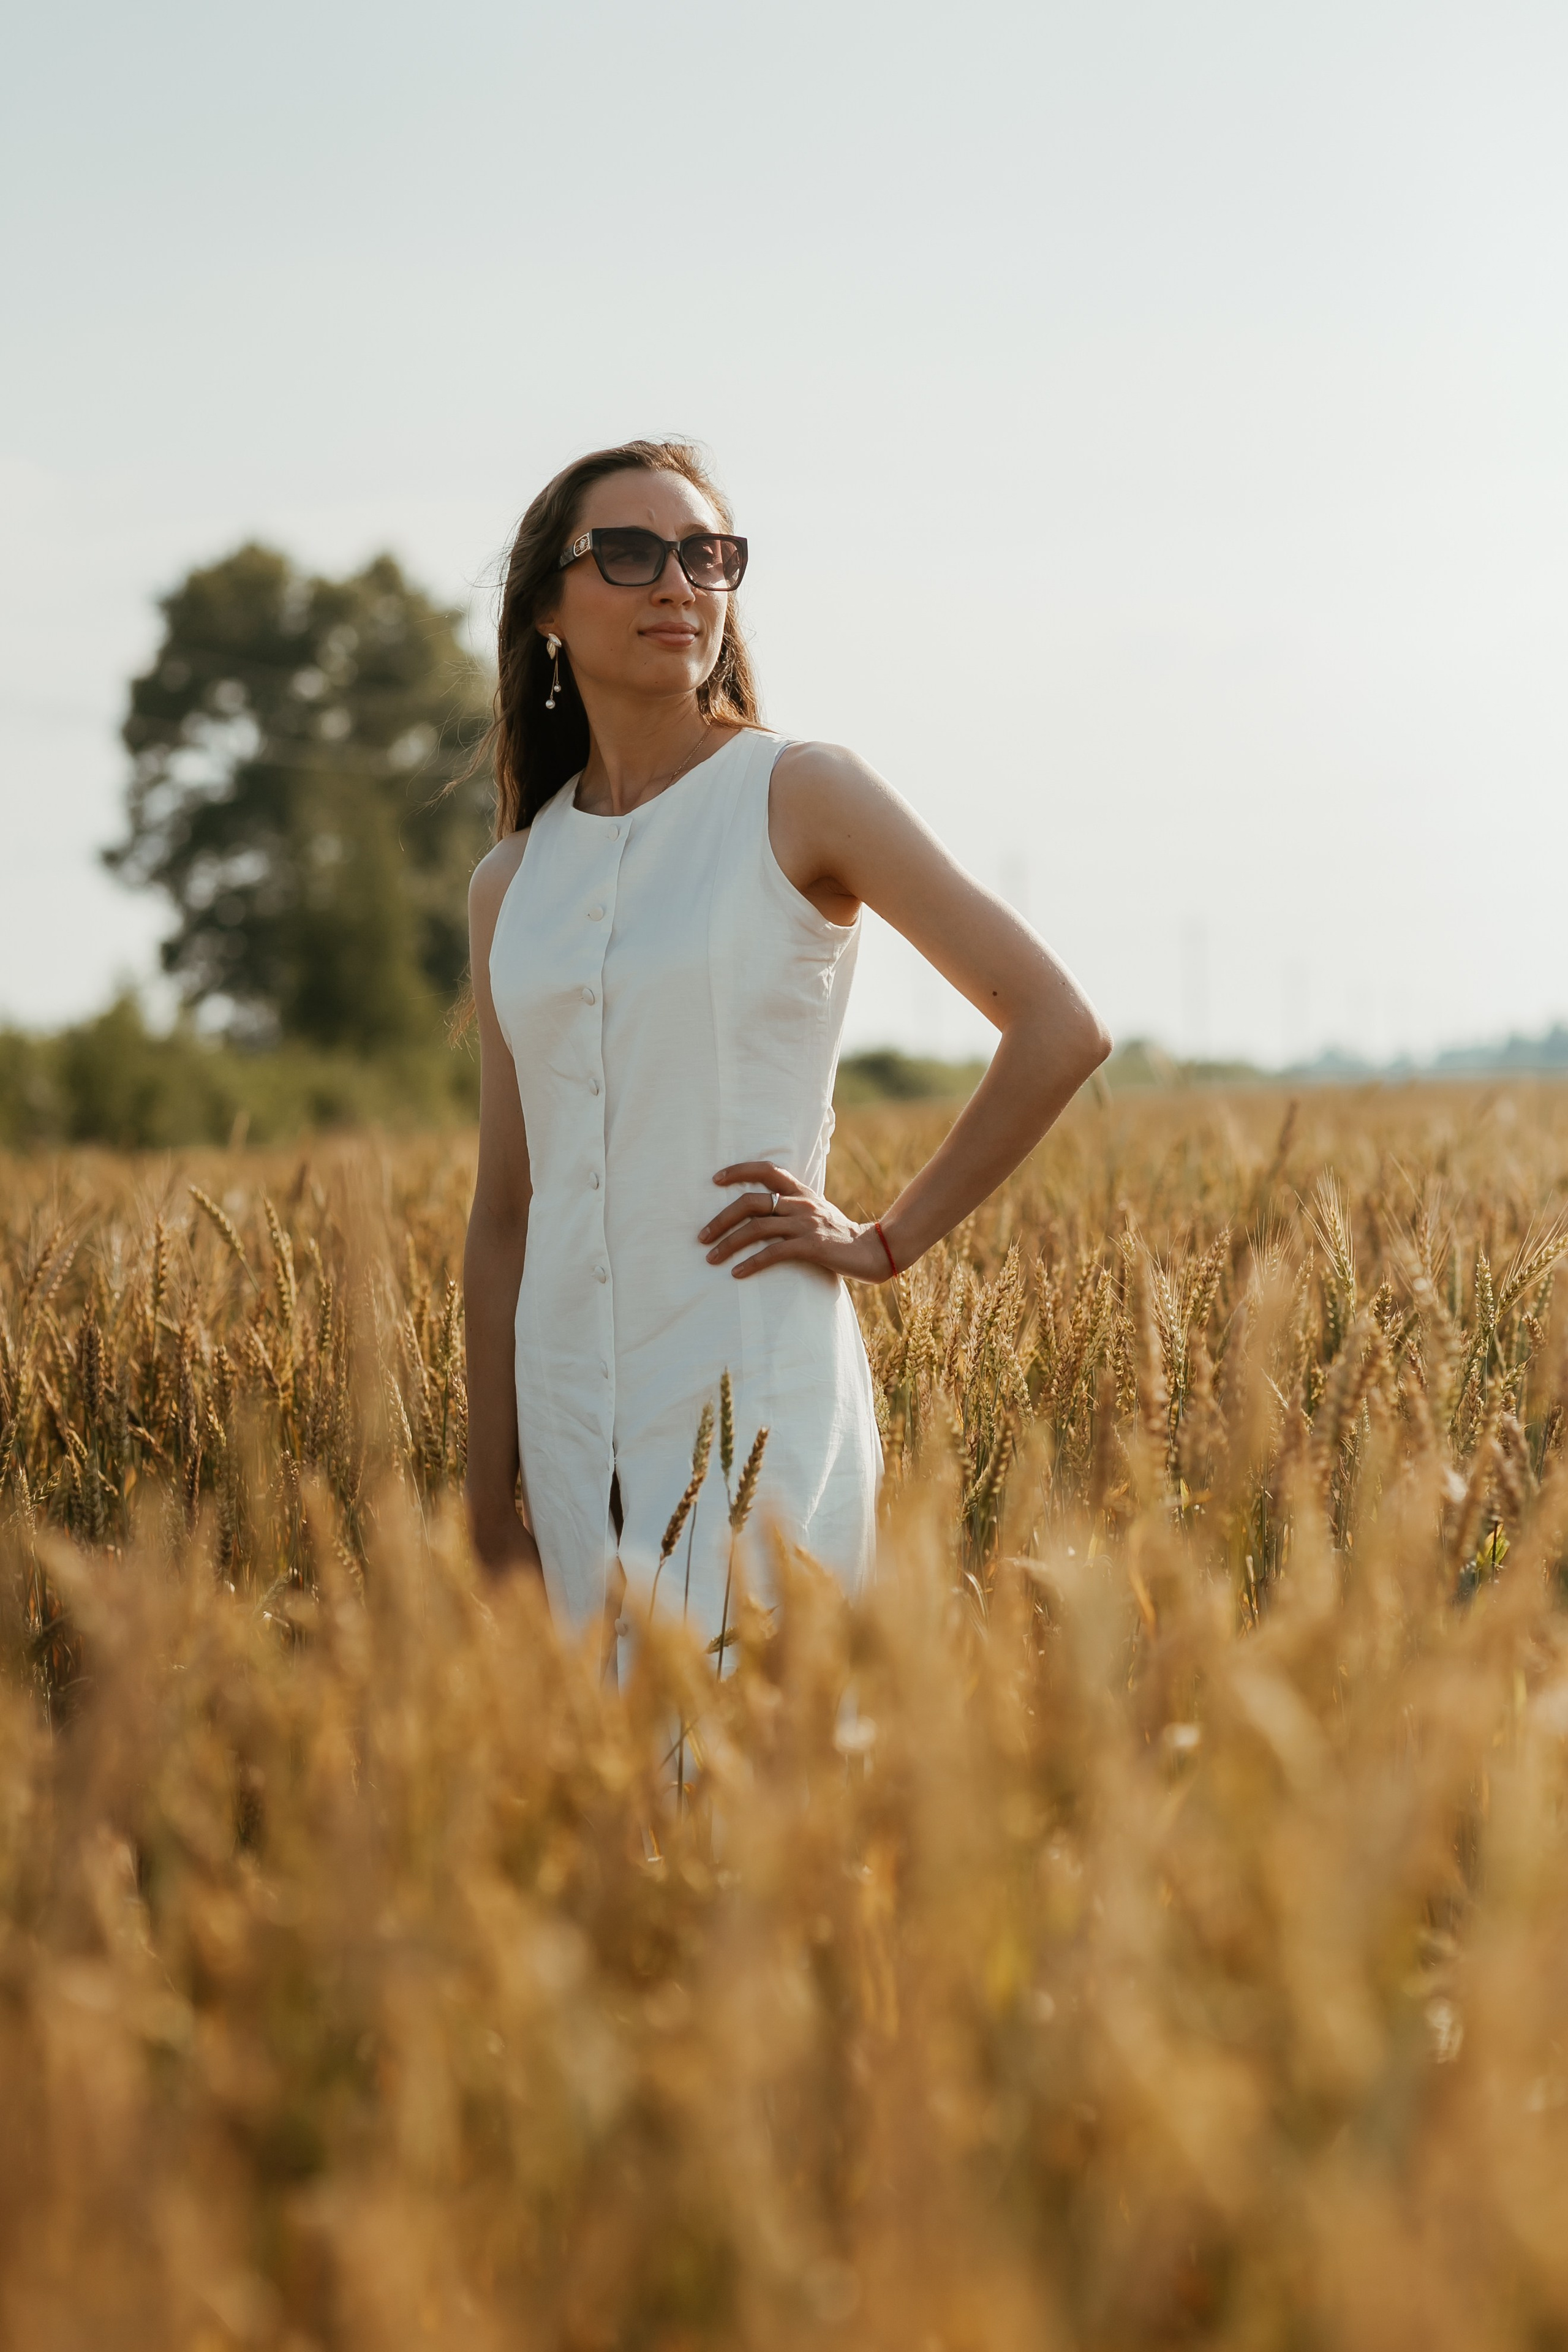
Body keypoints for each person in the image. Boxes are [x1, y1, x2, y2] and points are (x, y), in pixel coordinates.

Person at [463, 439, 1110, 1652]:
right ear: (544, 605)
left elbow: (1054, 1026)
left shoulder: (800, 792)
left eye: (707, 556)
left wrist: (882, 1240)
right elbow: (506, 1207)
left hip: (745, 1384)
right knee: (596, 1810)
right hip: (560, 1422)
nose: (679, 584)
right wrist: (485, 1489)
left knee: (757, 1781)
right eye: (631, 553)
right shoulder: (511, 882)